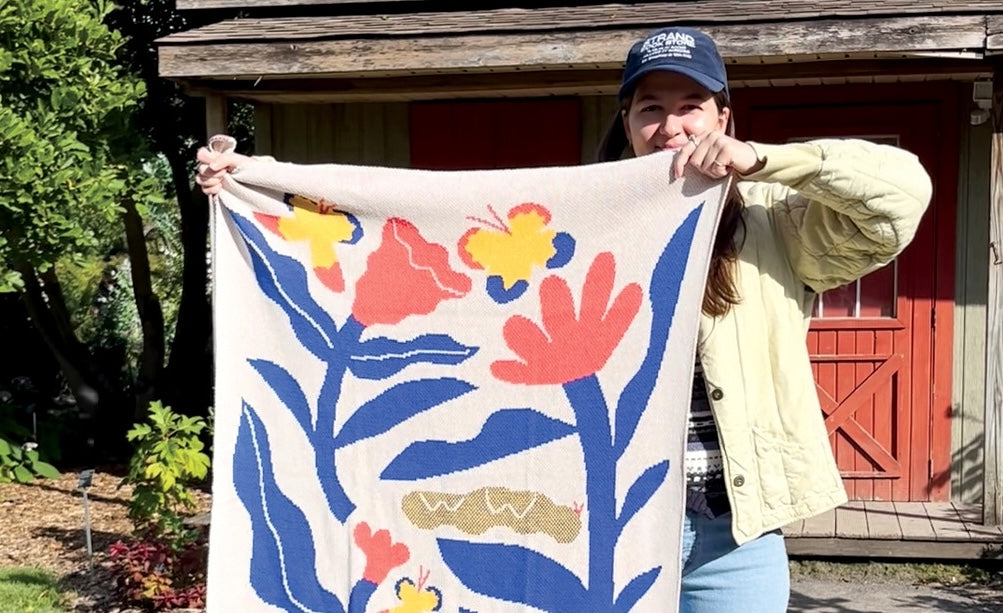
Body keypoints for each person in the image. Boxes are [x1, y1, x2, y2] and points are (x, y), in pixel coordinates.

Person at [196, 26, 932, 613]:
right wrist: (248, 186)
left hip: (732, 533)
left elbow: (900, 196)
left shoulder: (777, 226)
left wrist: (763, 161)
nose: (671, 124)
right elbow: (447, 249)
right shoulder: (585, 225)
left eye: (690, 105)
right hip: (600, 530)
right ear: (627, 120)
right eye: (651, 107)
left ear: (722, 116)